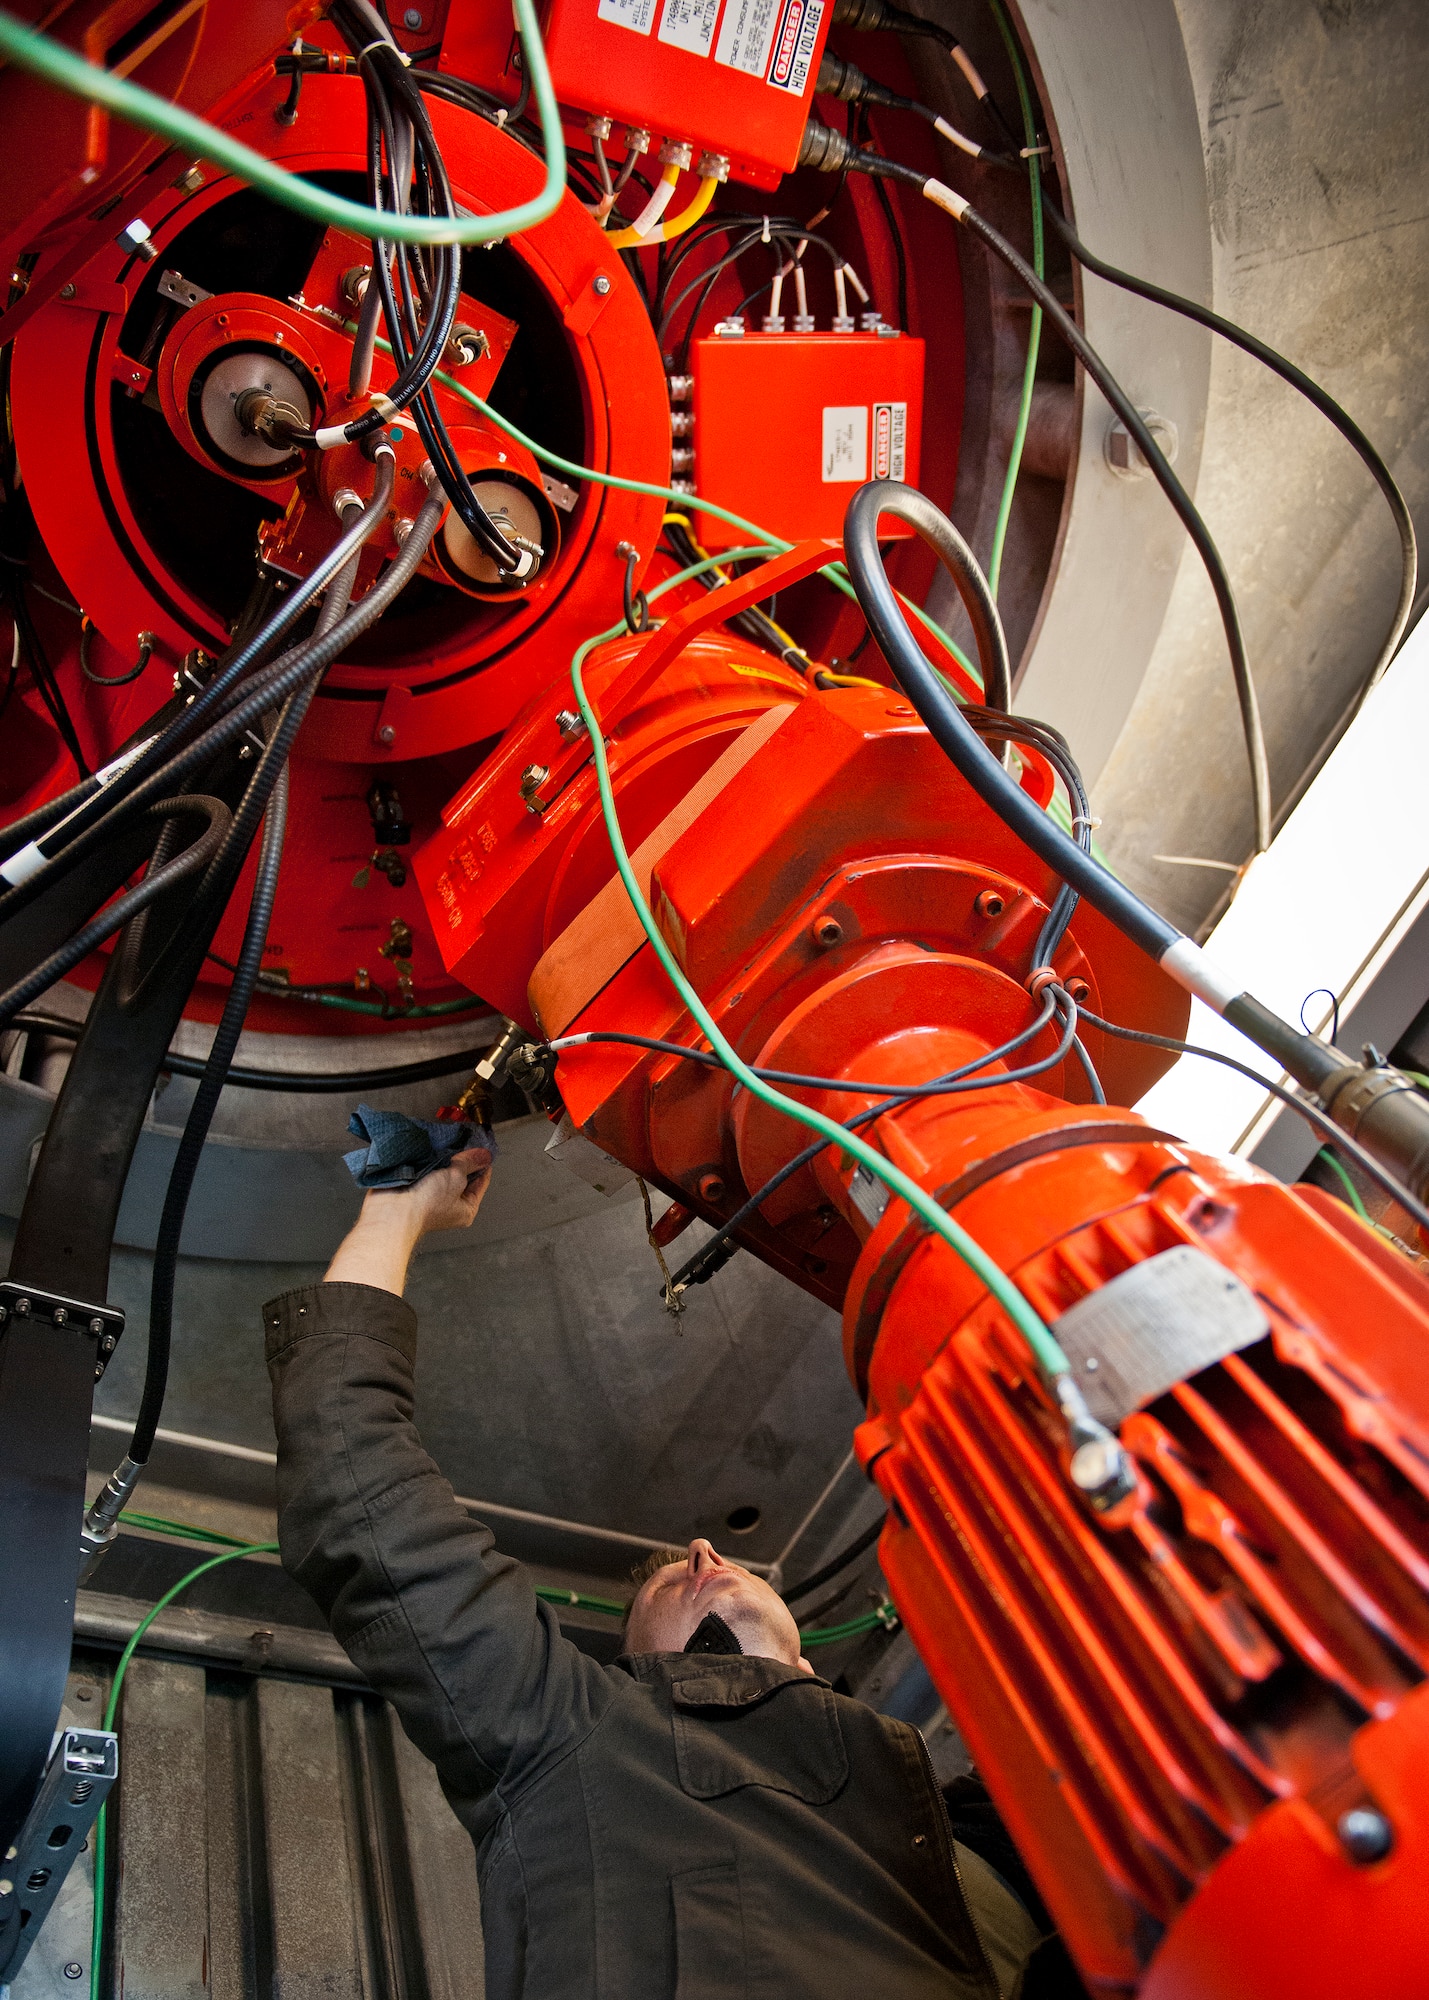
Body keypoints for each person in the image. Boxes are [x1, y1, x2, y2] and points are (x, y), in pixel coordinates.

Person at [263, 1146, 1058, 1999]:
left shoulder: (957, 1830)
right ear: (630, 1671)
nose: (706, 1554)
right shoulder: (569, 1731)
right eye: (668, 1586)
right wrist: (398, 1212)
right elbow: (357, 1483)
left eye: (709, 1563)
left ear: (807, 1665)